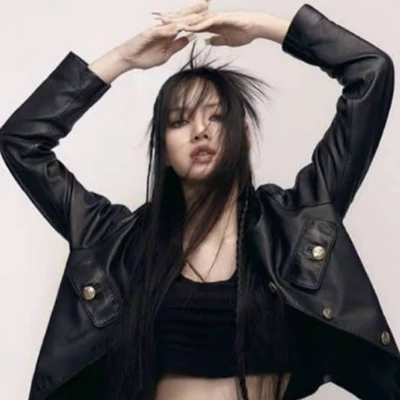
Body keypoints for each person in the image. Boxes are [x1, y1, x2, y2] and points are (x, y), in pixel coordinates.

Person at [0, 1, 399, 400]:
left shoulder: (298, 226)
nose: (200, 131)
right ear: (163, 150)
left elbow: (371, 72)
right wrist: (124, 58)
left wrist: (261, 27)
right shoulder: (116, 239)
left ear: (243, 134)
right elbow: (22, 142)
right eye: (179, 121)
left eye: (217, 116)